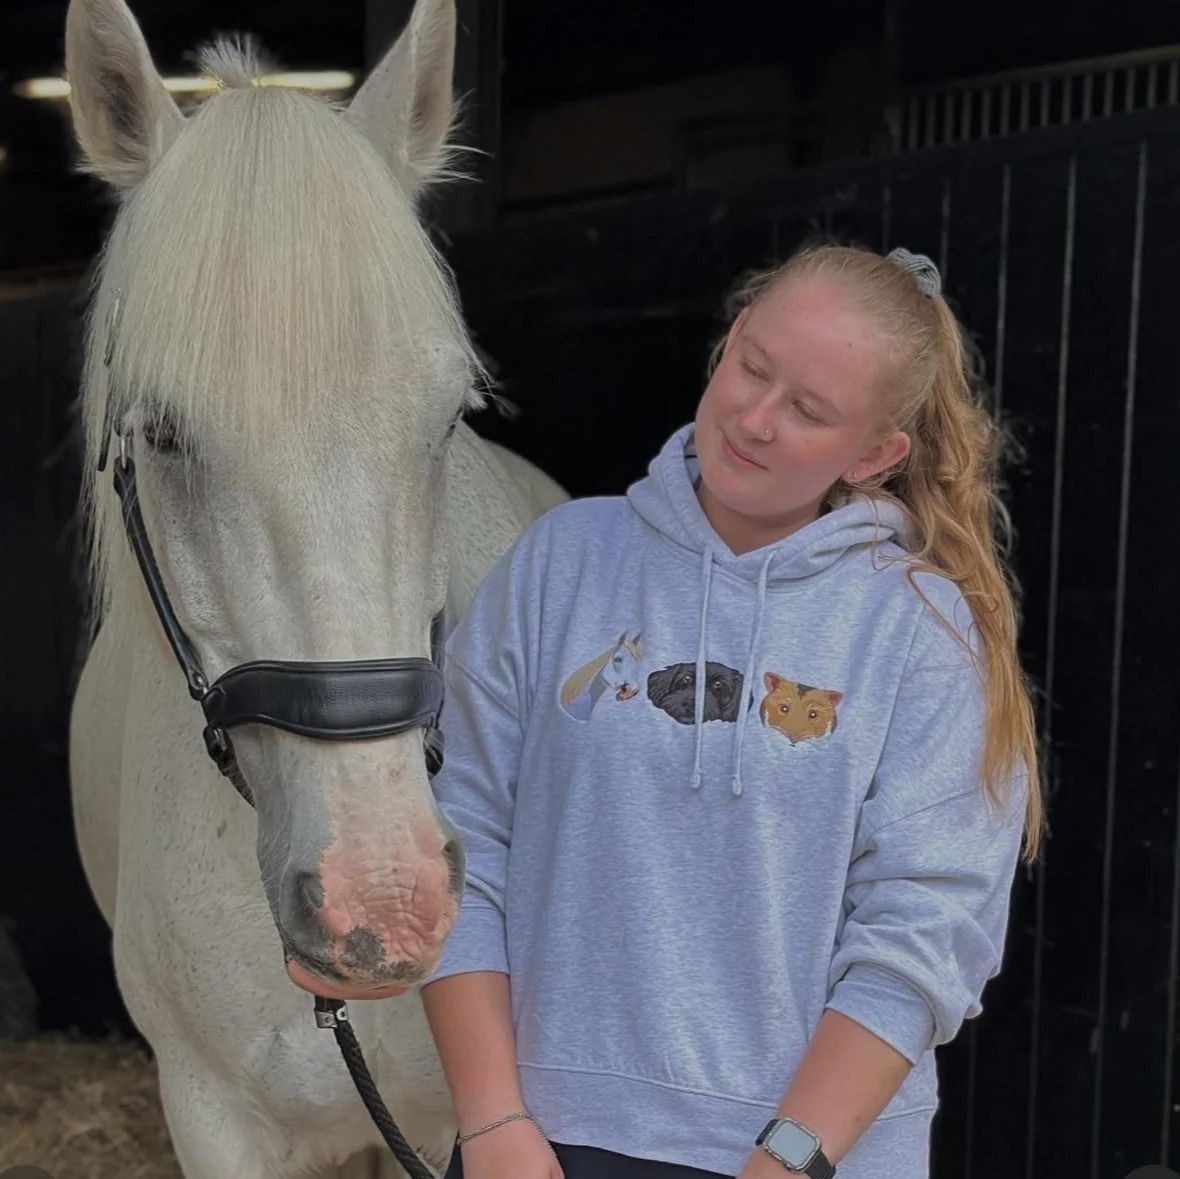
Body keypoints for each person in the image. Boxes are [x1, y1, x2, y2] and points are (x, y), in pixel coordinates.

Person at [421, 240, 1043, 1179]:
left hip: (812, 1156)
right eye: (752, 367)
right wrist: (490, 1117)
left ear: (876, 454)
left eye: (808, 410)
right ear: (730, 340)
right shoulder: (561, 563)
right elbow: (457, 839)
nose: (753, 419)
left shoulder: (918, 627)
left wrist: (787, 1158)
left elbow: (925, 928)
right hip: (549, 1142)